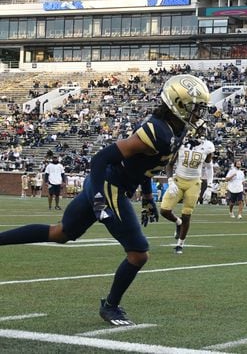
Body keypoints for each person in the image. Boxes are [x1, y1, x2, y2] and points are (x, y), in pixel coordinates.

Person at [0, 74, 209, 325]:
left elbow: (145, 165)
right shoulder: (156, 131)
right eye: (195, 107)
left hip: (113, 184)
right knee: (138, 253)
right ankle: (111, 306)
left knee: (60, 233)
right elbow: (100, 159)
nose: (199, 113)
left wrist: (146, 195)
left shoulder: (177, 128)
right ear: (177, 104)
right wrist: (100, 199)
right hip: (109, 185)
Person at [159, 126, 215, 254]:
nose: (201, 135)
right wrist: (170, 181)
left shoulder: (207, 146)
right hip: (178, 180)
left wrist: (210, 186)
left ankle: (180, 244)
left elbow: (208, 167)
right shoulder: (181, 144)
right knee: (164, 210)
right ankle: (177, 222)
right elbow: (170, 164)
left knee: (187, 214)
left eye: (203, 132)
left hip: (194, 183)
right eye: (199, 132)